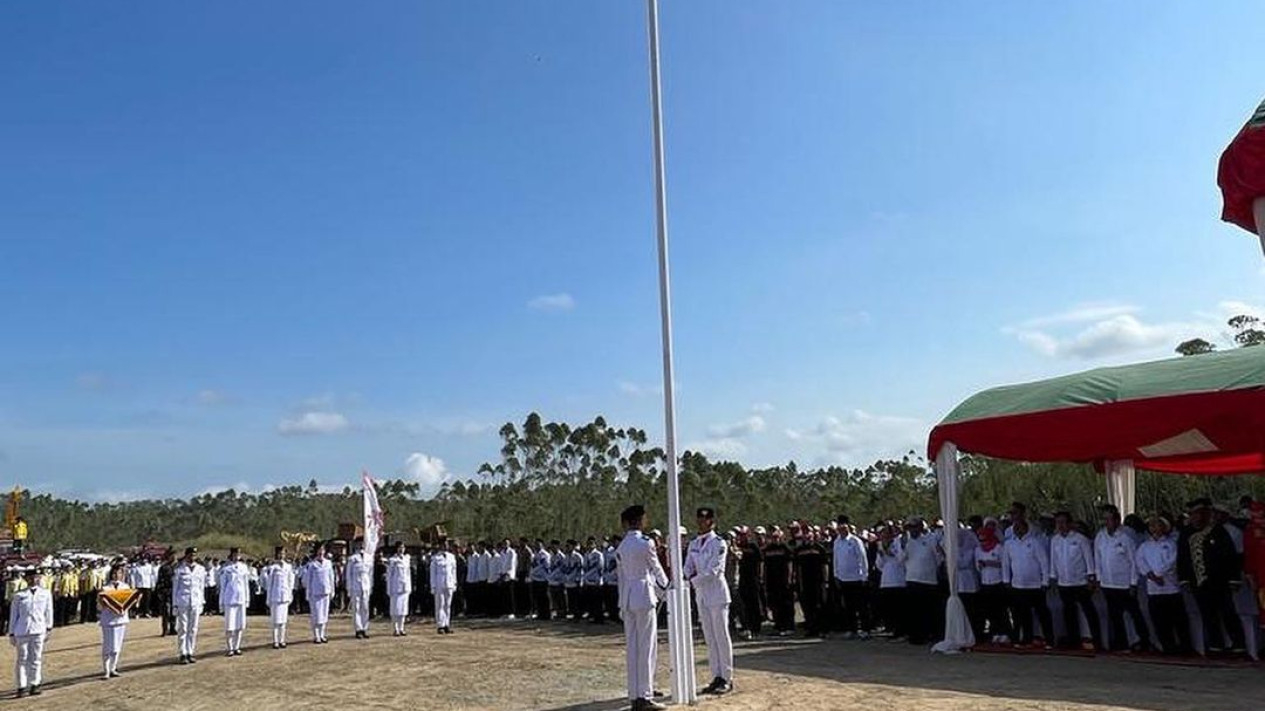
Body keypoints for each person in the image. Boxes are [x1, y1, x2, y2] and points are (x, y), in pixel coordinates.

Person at [616, 504, 669, 711]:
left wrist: (621, 604)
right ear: (638, 521)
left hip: (628, 597)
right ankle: (644, 696)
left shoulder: (621, 546)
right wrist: (667, 588)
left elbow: (621, 578)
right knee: (647, 647)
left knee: (633, 648)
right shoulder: (646, 543)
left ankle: (635, 692)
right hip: (644, 595)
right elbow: (656, 568)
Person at [1177, 498, 1247, 654]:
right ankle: (1216, 645)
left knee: (1228, 612)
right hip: (1198, 581)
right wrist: (1184, 579)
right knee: (1208, 614)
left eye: (1199, 514)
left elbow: (1230, 556)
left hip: (1220, 581)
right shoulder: (1186, 533)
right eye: (1193, 514)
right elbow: (1182, 557)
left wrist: (1233, 578)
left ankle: (1239, 645)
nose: (1196, 517)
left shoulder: (1218, 531)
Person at [685, 506, 734, 696]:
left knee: (721, 636)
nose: (700, 522)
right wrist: (685, 577)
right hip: (702, 595)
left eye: (705, 519)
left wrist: (692, 581)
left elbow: (715, 570)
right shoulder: (694, 543)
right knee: (710, 638)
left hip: (717, 593)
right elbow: (688, 565)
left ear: (712, 521)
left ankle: (727, 678)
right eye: (699, 519)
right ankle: (716, 676)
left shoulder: (719, 543)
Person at [1094, 505, 1150, 652]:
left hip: (1125, 583)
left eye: (1109, 519)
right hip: (1108, 583)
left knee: (1135, 614)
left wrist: (1133, 583)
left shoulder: (1126, 537)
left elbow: (1133, 561)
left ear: (1117, 520)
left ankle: (1145, 642)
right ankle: (1121, 644)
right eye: (1104, 519)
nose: (1107, 522)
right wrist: (1099, 579)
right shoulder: (1100, 537)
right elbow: (1098, 559)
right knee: (1115, 615)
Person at [1135, 516, 1191, 655]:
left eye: (1157, 525)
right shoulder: (1144, 546)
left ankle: (1185, 647)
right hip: (1153, 589)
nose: (1154, 529)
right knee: (1160, 622)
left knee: (1178, 621)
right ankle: (1168, 647)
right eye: (1151, 526)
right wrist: (1151, 575)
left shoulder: (1171, 544)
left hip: (1171, 587)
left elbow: (1172, 562)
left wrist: (1159, 574)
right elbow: (1140, 561)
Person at [1049, 512, 1103, 651]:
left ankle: (1098, 641)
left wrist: (1091, 576)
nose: (1060, 526)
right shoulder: (1055, 540)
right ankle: (1073, 640)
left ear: (1070, 523)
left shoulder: (1080, 539)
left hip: (1080, 581)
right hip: (1064, 582)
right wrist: (1053, 577)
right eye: (1058, 523)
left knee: (1088, 611)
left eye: (1063, 522)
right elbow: (1053, 560)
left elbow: (1088, 558)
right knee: (1069, 612)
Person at [1002, 519, 1053, 648]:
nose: (1017, 530)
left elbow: (1044, 562)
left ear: (1026, 529)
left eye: (1020, 527)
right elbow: (1006, 563)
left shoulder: (1035, 542)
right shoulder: (1009, 544)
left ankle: (1049, 639)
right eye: (1015, 527)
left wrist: (1045, 580)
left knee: (1042, 613)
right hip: (1018, 584)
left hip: (1035, 585)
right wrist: (1006, 580)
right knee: (1023, 615)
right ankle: (1026, 639)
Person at [8, 567, 52, 698]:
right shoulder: (19, 595)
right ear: (26, 579)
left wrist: (49, 628)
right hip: (22, 630)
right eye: (31, 578)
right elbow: (13, 615)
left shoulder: (45, 593)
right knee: (22, 659)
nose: (34, 580)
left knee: (36, 658)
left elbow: (48, 612)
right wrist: (11, 632)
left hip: (38, 629)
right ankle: (21, 686)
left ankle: (35, 684)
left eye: (37, 577)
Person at [902, 518, 942, 645]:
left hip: (928, 580)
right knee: (914, 611)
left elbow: (939, 558)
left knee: (929, 610)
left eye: (914, 527)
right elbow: (901, 559)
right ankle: (916, 636)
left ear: (920, 527)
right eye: (910, 528)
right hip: (912, 579)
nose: (912, 530)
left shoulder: (930, 540)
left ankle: (931, 635)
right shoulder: (908, 543)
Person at [832, 517, 870, 639]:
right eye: (839, 527)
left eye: (844, 526)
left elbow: (863, 559)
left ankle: (865, 629)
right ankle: (851, 629)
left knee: (861, 606)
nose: (842, 529)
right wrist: (836, 575)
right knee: (848, 607)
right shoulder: (837, 542)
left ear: (848, 527)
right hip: (843, 579)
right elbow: (835, 560)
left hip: (857, 578)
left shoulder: (855, 541)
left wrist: (864, 576)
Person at [974, 518, 1011, 643]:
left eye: (985, 539)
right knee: (990, 610)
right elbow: (977, 567)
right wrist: (981, 565)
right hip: (986, 583)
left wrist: (991, 563)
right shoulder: (978, 550)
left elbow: (1004, 564)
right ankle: (994, 631)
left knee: (1001, 609)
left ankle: (1006, 632)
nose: (983, 542)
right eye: (981, 540)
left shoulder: (999, 548)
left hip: (998, 582)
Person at [171, 547, 207, 665]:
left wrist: (202, 602)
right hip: (183, 602)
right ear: (186, 556)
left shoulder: (201, 569)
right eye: (190, 555)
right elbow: (175, 589)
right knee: (183, 629)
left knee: (193, 629)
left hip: (196, 601)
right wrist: (174, 605)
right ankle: (183, 653)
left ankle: (190, 652)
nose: (192, 557)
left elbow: (201, 587)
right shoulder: (179, 569)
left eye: (194, 555)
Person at [98, 564, 131, 679]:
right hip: (108, 619)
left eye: (119, 573)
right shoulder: (105, 588)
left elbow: (129, 602)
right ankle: (106, 670)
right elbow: (101, 604)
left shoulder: (126, 587)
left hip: (121, 619)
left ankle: (113, 667)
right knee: (108, 645)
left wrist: (123, 609)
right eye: (115, 573)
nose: (117, 575)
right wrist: (110, 606)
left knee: (117, 646)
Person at [218, 548, 250, 657]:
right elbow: (223, 587)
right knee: (230, 625)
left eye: (238, 554)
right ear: (231, 555)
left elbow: (246, 585)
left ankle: (237, 647)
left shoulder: (244, 567)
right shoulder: (226, 569)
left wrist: (247, 599)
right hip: (229, 599)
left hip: (241, 598)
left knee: (240, 625)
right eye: (235, 554)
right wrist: (221, 602)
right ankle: (230, 648)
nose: (237, 556)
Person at [762, 527, 794, 636]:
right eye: (773, 537)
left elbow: (790, 564)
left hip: (784, 581)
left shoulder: (785, 548)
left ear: (781, 537)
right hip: (772, 581)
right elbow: (765, 566)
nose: (775, 539)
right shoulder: (768, 549)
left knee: (786, 605)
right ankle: (778, 626)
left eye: (777, 537)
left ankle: (788, 626)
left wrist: (789, 579)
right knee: (774, 605)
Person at [303, 544, 335, 644]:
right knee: (316, 614)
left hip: (325, 591)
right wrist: (308, 592)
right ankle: (316, 635)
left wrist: (332, 590)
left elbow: (331, 578)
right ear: (316, 552)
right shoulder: (312, 565)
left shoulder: (328, 563)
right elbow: (307, 580)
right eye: (319, 550)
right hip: (315, 593)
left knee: (324, 614)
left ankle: (322, 634)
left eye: (323, 550)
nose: (321, 552)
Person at [264, 547, 295, 649]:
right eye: (279, 553)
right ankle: (275, 641)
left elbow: (290, 582)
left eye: (283, 553)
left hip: (285, 596)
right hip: (275, 597)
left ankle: (282, 640)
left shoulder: (288, 567)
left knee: (283, 621)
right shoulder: (273, 568)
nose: (281, 555)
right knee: (275, 620)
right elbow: (269, 584)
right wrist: (268, 598)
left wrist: (290, 595)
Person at [736, 528, 764, 639]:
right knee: (744, 604)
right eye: (740, 535)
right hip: (743, 578)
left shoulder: (753, 547)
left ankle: (756, 627)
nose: (742, 537)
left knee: (754, 603)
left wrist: (760, 576)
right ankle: (747, 627)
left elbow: (760, 562)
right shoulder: (738, 547)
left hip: (753, 578)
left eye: (744, 535)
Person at [346, 539, 373, 639]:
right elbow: (349, 575)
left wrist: (370, 587)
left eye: (363, 543)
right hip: (355, 586)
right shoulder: (353, 559)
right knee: (356, 608)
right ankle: (358, 629)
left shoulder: (369, 558)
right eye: (360, 544)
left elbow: (370, 574)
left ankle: (364, 628)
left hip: (366, 586)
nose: (362, 545)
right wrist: (349, 588)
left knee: (365, 608)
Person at [430, 538, 458, 634]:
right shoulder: (435, 558)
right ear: (440, 546)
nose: (445, 546)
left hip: (449, 583)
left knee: (448, 605)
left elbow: (453, 571)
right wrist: (433, 586)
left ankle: (447, 624)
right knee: (440, 605)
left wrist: (454, 583)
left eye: (447, 544)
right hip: (439, 584)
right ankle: (440, 625)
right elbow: (433, 573)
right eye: (444, 544)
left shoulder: (451, 557)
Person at [387, 542, 412, 636]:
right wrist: (389, 589)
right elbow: (389, 576)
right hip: (395, 587)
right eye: (399, 547)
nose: (401, 549)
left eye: (403, 547)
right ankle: (395, 628)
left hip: (405, 587)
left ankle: (402, 628)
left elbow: (408, 574)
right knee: (395, 609)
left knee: (403, 609)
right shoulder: (393, 560)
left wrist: (409, 587)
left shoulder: (406, 559)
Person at [582, 537, 605, 623]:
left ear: (595, 544)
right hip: (588, 580)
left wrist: (599, 580)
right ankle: (592, 616)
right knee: (590, 600)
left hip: (596, 581)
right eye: (588, 544)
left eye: (591, 543)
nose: (589, 545)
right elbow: (584, 567)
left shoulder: (599, 554)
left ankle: (599, 618)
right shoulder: (586, 554)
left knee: (597, 601)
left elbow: (601, 568)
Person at [529, 539, 552, 620]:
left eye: (538, 544)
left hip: (543, 579)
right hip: (535, 579)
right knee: (538, 598)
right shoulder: (535, 554)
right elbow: (532, 565)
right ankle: (540, 614)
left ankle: (547, 615)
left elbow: (547, 566)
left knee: (544, 598)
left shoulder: (545, 554)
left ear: (542, 545)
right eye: (536, 544)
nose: (537, 546)